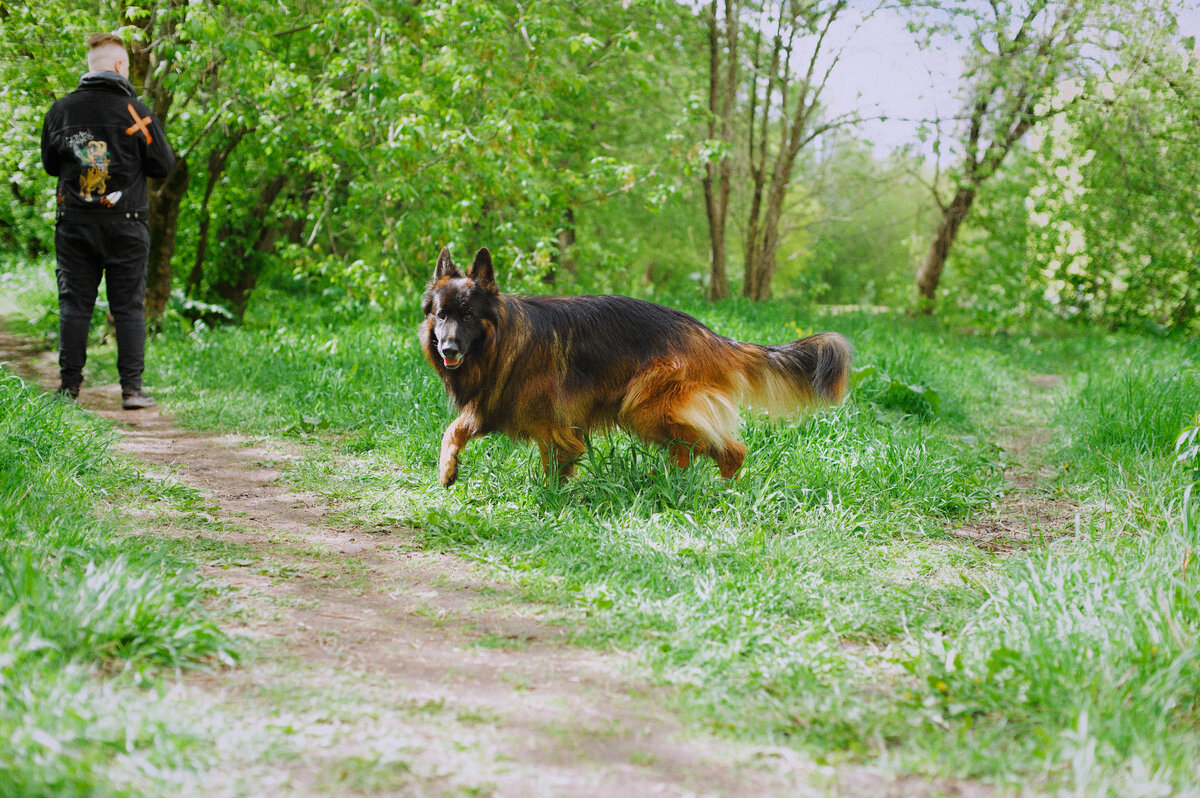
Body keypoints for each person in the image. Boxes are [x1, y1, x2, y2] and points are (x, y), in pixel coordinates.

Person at [40, 32, 175, 409]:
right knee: (128, 306)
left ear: (91, 67)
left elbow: (51, 165)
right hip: (127, 222)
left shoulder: (60, 111)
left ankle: (68, 390)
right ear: (120, 66)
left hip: (75, 223)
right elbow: (163, 165)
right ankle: (132, 391)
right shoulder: (138, 112)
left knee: (74, 304)